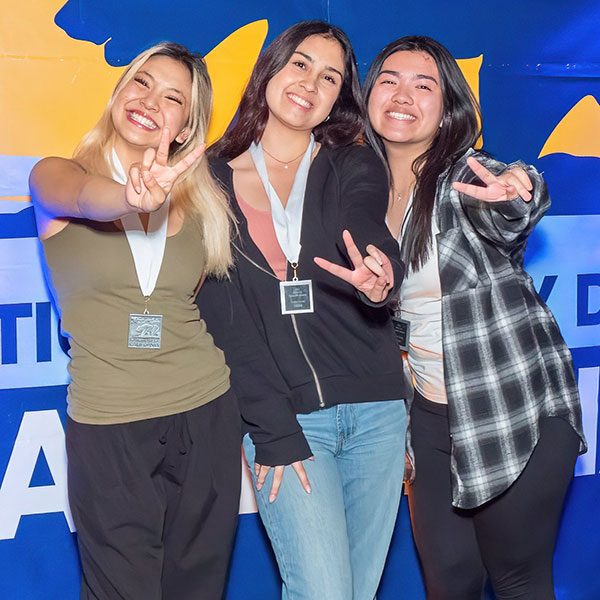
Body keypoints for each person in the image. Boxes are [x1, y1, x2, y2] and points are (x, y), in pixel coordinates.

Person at [363, 35, 586, 600]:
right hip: (428, 421)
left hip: (514, 407)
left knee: (518, 581)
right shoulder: (356, 190)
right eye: (389, 79)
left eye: (424, 84)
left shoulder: (464, 177)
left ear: (448, 108)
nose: (403, 94)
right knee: (450, 585)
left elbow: (512, 207)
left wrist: (520, 189)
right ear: (368, 95)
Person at [197, 21, 408, 600]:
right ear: (271, 68)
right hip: (287, 418)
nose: (311, 83)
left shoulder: (352, 164)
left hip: (377, 414)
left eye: (330, 76)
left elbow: (367, 222)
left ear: (339, 96)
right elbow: (225, 322)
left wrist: (378, 271)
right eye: (301, 64)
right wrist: (271, 427)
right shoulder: (207, 178)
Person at [29, 42, 241, 600]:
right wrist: (128, 195)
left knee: (197, 589)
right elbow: (86, 198)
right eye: (141, 82)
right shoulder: (57, 175)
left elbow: (186, 304)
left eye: (173, 98)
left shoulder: (201, 206)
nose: (150, 101)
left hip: (206, 412)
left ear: (185, 127)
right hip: (110, 423)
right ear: (118, 91)